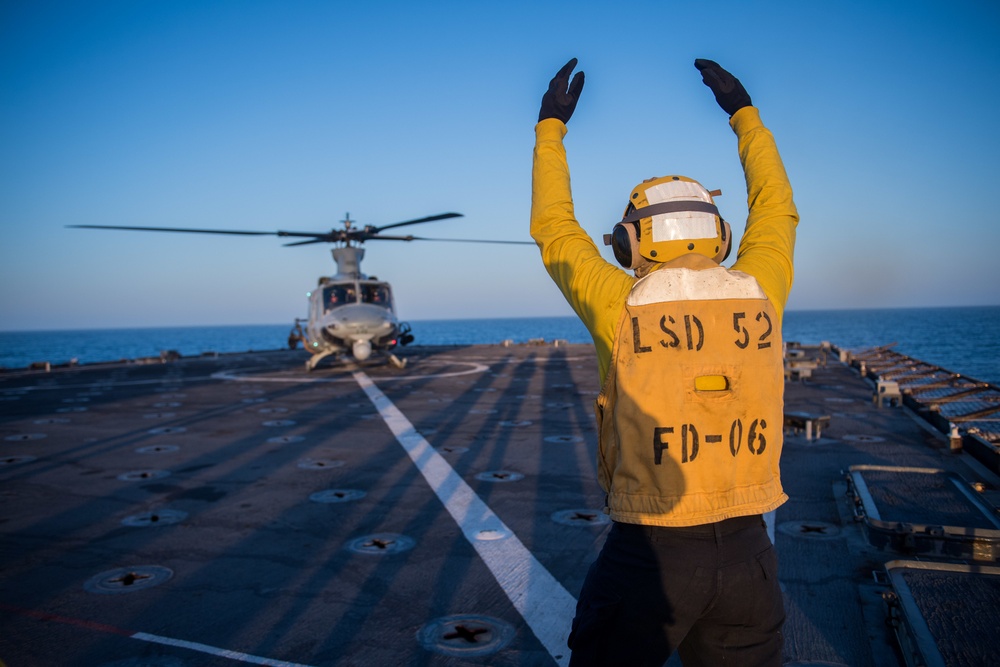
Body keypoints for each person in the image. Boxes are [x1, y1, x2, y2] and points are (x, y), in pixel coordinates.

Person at [531, 57, 798, 666]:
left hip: (649, 559)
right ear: (720, 236)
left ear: (630, 242)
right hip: (750, 554)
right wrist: (744, 116)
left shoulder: (619, 303)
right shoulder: (761, 286)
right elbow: (777, 209)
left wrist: (551, 129)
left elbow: (554, 228)